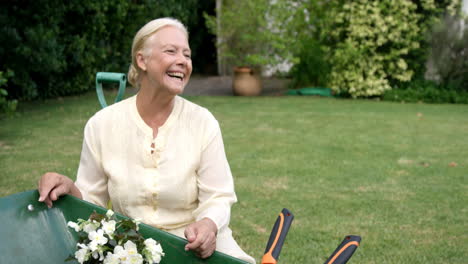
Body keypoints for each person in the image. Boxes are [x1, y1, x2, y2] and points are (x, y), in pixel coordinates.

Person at [37, 17, 255, 264]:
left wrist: (208, 224)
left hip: (194, 244)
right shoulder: (101, 125)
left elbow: (219, 196)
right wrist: (67, 186)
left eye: (187, 54)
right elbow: (90, 201)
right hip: (130, 246)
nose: (182, 61)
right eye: (171, 51)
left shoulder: (203, 122)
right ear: (142, 60)